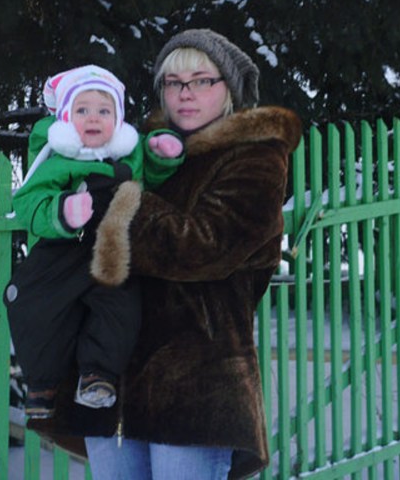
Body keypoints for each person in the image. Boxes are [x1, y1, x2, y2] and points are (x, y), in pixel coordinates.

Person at [83, 29, 303, 479]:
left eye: (201, 80)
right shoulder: (139, 153)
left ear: (229, 89)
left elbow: (203, 246)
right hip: (114, 381)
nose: (185, 93)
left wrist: (122, 201)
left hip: (198, 387)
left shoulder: (256, 158)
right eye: (173, 82)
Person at [4, 64, 184, 421]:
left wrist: (161, 154)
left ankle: (98, 376)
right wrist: (62, 210)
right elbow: (28, 202)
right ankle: (42, 384)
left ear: (117, 120)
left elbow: (149, 176)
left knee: (119, 310)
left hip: (110, 248)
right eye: (82, 110)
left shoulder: (128, 154)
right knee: (33, 305)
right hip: (61, 251)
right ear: (66, 118)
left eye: (104, 111)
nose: (93, 118)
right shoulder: (56, 160)